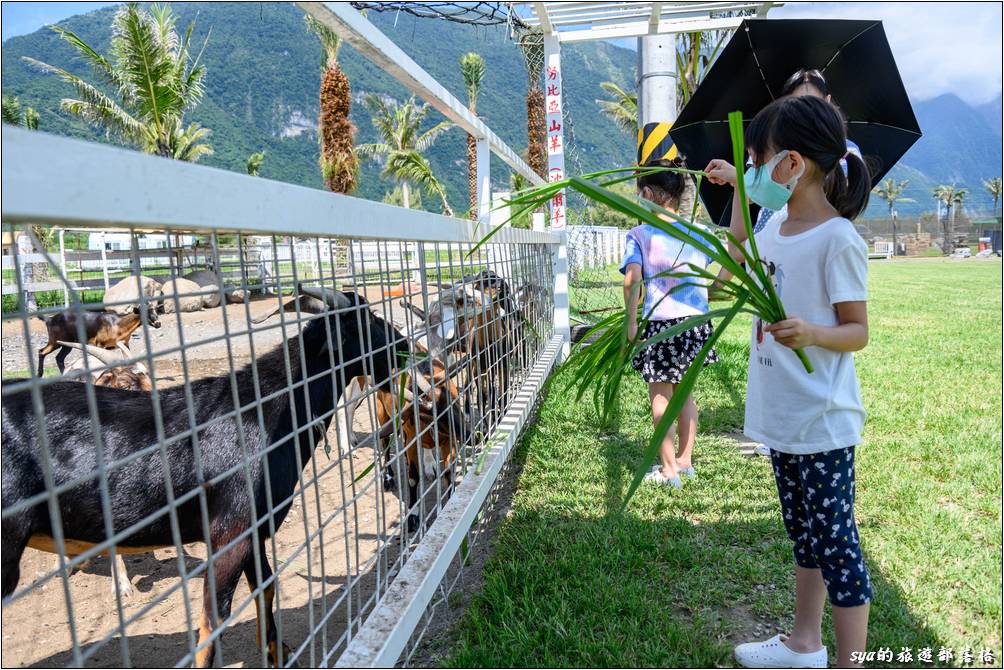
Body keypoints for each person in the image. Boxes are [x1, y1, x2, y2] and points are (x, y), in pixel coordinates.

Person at [705, 95, 873, 668]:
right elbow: (740, 250)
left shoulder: (837, 239)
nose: (752, 170)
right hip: (784, 415)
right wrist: (735, 188)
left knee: (838, 549)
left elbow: (857, 332)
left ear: (793, 165)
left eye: (759, 159)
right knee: (804, 537)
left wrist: (811, 334)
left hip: (822, 420)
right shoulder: (775, 224)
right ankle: (805, 643)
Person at [620, 158, 717, 489]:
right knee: (686, 395)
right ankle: (685, 462)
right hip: (697, 325)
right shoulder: (700, 233)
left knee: (661, 397)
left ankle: (668, 470)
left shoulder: (640, 234)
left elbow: (632, 281)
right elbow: (735, 255)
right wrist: (714, 289)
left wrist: (631, 323)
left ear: (647, 193)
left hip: (662, 326)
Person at [752, 68, 862, 235]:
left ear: (828, 101)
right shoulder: (771, 148)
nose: (806, 112)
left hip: (812, 237)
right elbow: (752, 194)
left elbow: (840, 196)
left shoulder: (848, 151)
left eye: (813, 102)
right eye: (797, 103)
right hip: (768, 239)